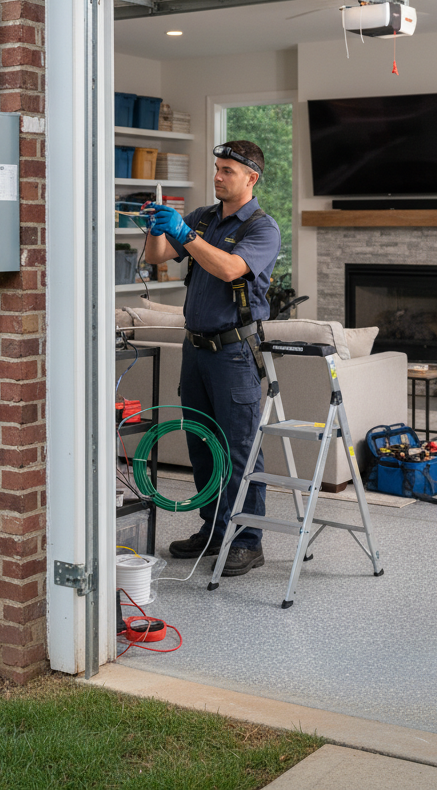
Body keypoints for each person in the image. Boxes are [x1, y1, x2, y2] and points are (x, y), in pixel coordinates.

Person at [143, 140, 281, 577]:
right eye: (217, 169)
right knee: (202, 444)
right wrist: (156, 226)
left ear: (251, 178)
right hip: (196, 350)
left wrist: (185, 235)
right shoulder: (202, 217)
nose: (218, 177)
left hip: (235, 353)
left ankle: (247, 540)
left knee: (239, 448)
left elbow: (228, 269)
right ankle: (214, 528)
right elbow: (159, 257)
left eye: (227, 171)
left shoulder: (263, 228)